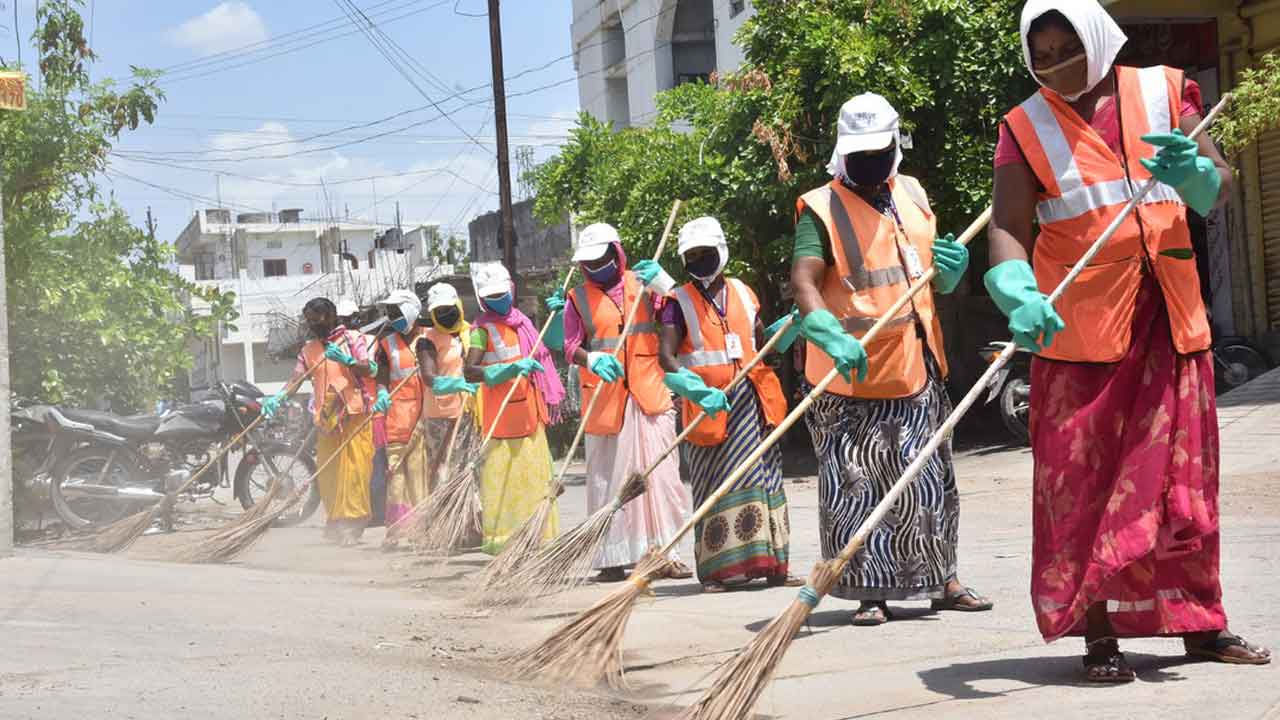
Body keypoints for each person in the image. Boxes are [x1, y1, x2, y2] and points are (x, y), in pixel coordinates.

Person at [987, 0, 1269, 680]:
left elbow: (1218, 187)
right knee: (1083, 489)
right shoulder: (1024, 127)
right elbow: (1006, 229)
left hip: (1170, 324)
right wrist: (1015, 290)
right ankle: (1098, 635)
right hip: (1080, 339)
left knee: (1182, 487)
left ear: (1096, 37)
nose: (1055, 66)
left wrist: (1198, 176)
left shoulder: (1166, 92)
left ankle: (1200, 624)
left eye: (1066, 49)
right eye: (1041, 56)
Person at [790, 92, 989, 626]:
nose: (870, 163)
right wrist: (826, 333)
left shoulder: (913, 192)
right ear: (842, 149)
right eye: (860, 154)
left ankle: (943, 579)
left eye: (879, 151)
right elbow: (804, 281)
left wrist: (950, 273)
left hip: (916, 364)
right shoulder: (820, 208)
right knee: (859, 486)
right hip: (850, 376)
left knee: (929, 482)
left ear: (895, 145)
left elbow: (925, 270)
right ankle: (869, 593)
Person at [658, 216, 801, 592]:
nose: (698, 260)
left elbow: (759, 343)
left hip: (752, 401)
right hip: (710, 404)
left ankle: (773, 565)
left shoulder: (743, 291)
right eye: (691, 256)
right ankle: (715, 571)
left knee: (764, 478)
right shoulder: (677, 302)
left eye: (704, 252)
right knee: (714, 483)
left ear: (721, 251)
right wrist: (692, 388)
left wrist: (786, 331)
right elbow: (666, 357)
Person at [559, 223, 693, 582]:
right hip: (606, 399)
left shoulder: (644, 283)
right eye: (588, 262)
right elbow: (570, 346)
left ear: (616, 253)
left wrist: (665, 284)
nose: (595, 267)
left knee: (660, 477)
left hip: (649, 393)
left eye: (600, 259)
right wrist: (590, 359)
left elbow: (680, 315)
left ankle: (665, 552)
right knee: (606, 480)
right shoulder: (577, 298)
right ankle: (611, 557)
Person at [463, 263, 565, 554]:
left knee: (534, 483)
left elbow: (551, 345)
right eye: (491, 296)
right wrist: (508, 370)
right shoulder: (481, 330)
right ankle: (505, 542)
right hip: (500, 424)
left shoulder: (524, 324)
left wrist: (558, 317)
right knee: (504, 486)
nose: (498, 300)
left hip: (530, 418)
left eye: (501, 294)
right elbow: (469, 371)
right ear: (482, 298)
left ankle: (538, 537)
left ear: (511, 289)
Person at [262, 297, 377, 546]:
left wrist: (347, 360)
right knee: (329, 475)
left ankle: (353, 523)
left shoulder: (352, 339)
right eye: (310, 321)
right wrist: (279, 397)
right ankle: (336, 520)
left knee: (354, 473)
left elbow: (368, 368)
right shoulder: (309, 350)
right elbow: (296, 380)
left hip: (354, 415)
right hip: (326, 420)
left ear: (332, 316)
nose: (314, 325)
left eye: (317, 319)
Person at [373, 289, 429, 546]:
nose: (392, 317)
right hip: (397, 417)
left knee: (419, 475)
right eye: (390, 312)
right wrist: (382, 392)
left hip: (425, 416)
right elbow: (382, 376)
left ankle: (422, 531)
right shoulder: (386, 344)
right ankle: (396, 531)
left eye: (397, 311)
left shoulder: (429, 338)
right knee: (395, 476)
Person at [420, 282, 481, 493]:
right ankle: (444, 511)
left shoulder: (471, 331)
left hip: (469, 412)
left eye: (448, 309)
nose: (444, 314)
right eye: (439, 311)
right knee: (443, 472)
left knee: (468, 469)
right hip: (440, 416)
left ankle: (469, 511)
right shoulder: (427, 340)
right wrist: (455, 384)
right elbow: (428, 377)